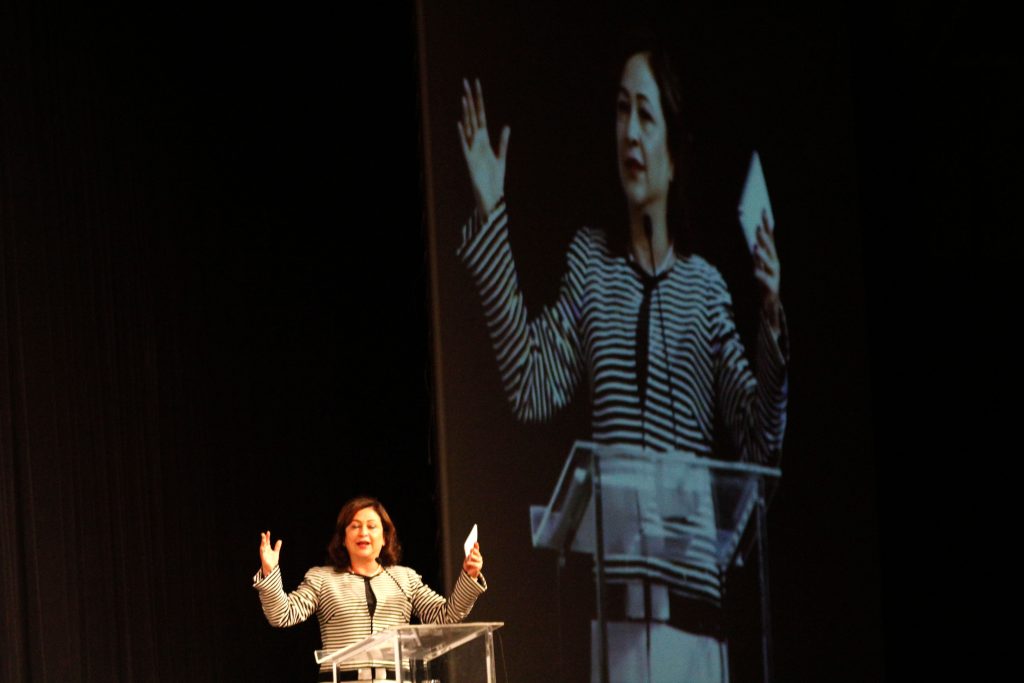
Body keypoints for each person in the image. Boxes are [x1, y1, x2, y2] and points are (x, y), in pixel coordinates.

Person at [456, 37, 786, 683]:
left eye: (646, 114)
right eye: (621, 109)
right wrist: (491, 212)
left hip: (698, 626)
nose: (630, 131)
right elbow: (531, 383)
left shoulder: (705, 289)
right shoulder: (593, 265)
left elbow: (759, 441)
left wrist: (772, 316)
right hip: (616, 627)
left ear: (673, 147)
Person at [253, 496, 486, 682]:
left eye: (372, 526)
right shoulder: (322, 578)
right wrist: (269, 572)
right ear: (343, 538)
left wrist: (469, 576)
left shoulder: (405, 578)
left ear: (385, 538)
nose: (363, 532)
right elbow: (282, 615)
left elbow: (445, 616)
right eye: (355, 526)